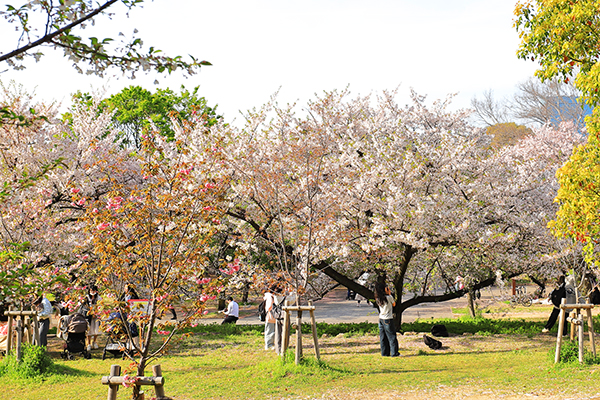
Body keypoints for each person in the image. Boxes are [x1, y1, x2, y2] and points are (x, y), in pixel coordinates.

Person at [374, 282, 399, 357]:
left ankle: (384, 353)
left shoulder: (378, 298)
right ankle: (394, 353)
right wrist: (389, 294)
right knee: (392, 337)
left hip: (381, 318)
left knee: (383, 337)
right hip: (388, 319)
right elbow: (394, 304)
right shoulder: (389, 297)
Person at [82, 285, 100, 351]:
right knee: (89, 329)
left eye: (94, 290)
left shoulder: (98, 297)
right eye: (91, 290)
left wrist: (96, 312)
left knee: (96, 329)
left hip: (96, 315)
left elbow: (100, 305)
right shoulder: (86, 298)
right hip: (88, 315)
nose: (92, 292)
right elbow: (84, 306)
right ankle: (88, 343)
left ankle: (94, 342)